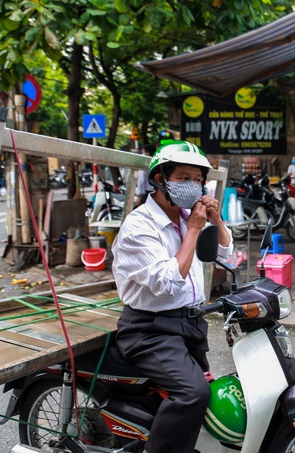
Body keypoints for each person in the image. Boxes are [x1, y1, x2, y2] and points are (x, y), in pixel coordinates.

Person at [112, 140, 233, 453]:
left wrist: (215, 221)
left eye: (197, 179)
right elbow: (167, 282)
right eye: (183, 178)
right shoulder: (140, 225)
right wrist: (193, 229)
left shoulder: (185, 217)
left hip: (188, 325)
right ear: (159, 178)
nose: (192, 186)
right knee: (193, 393)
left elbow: (226, 253)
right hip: (150, 330)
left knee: (211, 389)